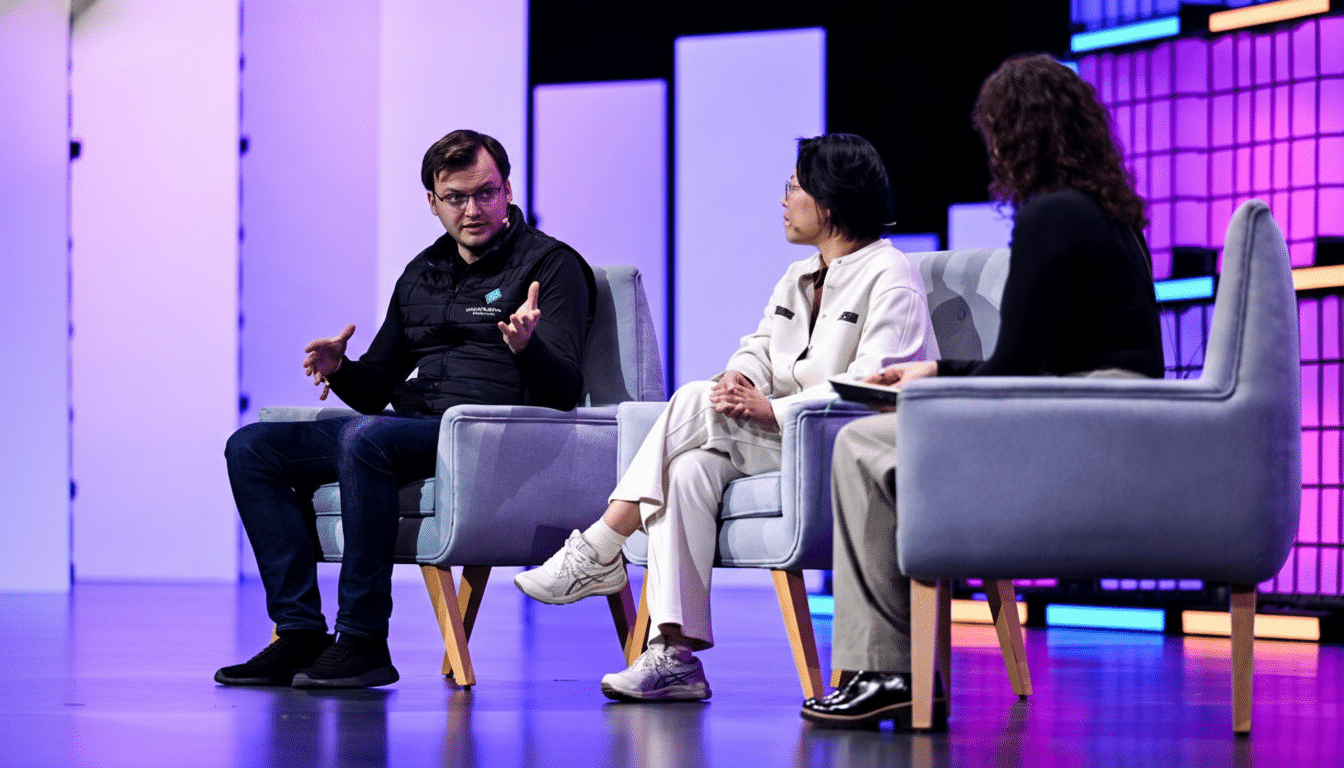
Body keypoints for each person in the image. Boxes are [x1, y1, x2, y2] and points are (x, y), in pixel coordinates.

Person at [801, 54, 1164, 729]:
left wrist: (931, 381)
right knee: (887, 448)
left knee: (858, 444)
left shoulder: (1050, 216)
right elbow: (1043, 361)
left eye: (995, 133)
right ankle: (904, 672)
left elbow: (1017, 366)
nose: (992, 149)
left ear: (1017, 135)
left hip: (1077, 420)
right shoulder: (1112, 215)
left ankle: (886, 670)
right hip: (1113, 416)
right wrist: (937, 376)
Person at [514, 134, 940, 702]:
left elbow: (873, 389)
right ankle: (674, 655)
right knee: (687, 470)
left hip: (841, 447)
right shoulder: (797, 275)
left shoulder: (891, 276)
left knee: (691, 399)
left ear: (830, 203)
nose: (783, 199)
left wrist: (774, 408)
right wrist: (740, 377)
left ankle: (598, 547)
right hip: (778, 441)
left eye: (793, 187)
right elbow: (760, 346)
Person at [215, 129, 594, 689]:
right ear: (432, 202)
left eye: (486, 193)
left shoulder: (552, 266)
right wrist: (341, 369)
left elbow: (564, 392)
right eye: (456, 197)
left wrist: (526, 346)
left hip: (487, 433)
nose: (473, 209)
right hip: (415, 425)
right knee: (251, 448)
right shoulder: (421, 274)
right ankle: (298, 633)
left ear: (508, 190)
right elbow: (374, 391)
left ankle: (364, 640)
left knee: (366, 440)